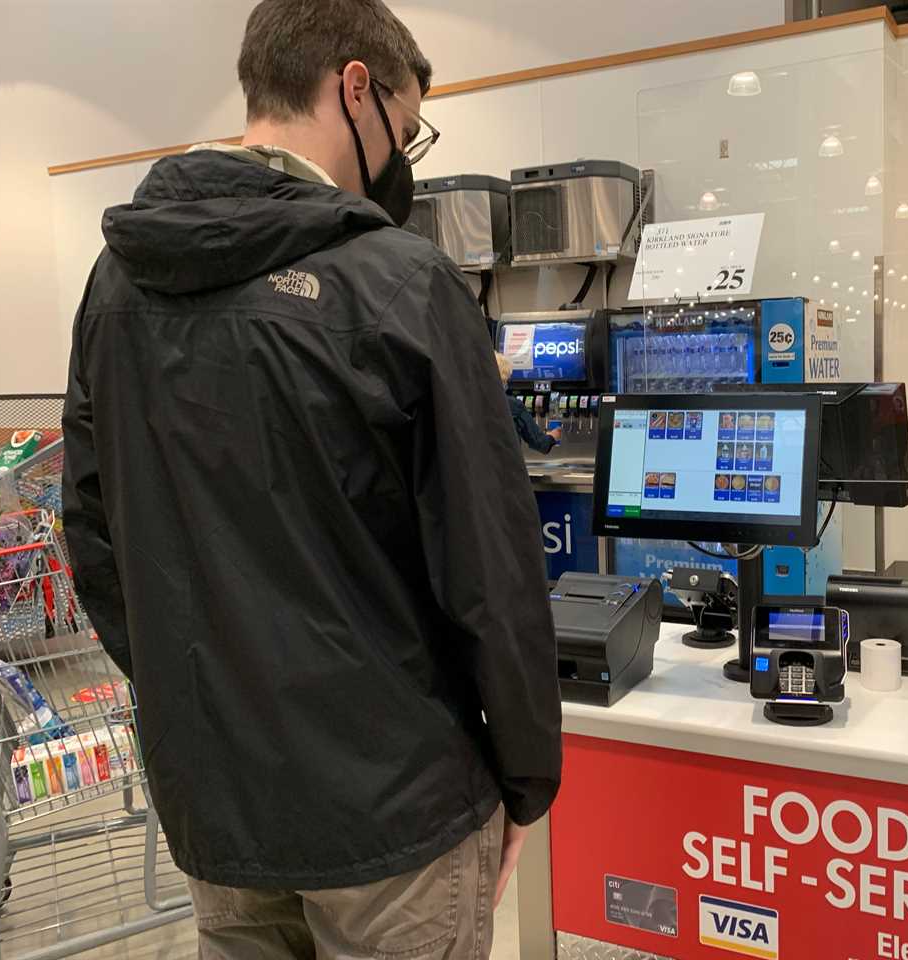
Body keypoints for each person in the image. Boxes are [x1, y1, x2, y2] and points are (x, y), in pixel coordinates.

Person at [60, 2, 562, 957]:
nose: (402, 157)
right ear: (355, 87)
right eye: (406, 128)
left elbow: (93, 531)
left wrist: (197, 691)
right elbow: (491, 571)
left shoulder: (114, 284)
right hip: (396, 803)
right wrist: (528, 777)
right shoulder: (403, 281)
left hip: (216, 793)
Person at [495, 353, 562, 454]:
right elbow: (540, 443)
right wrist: (553, 436)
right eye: (506, 379)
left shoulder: (471, 405)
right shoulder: (513, 405)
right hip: (505, 462)